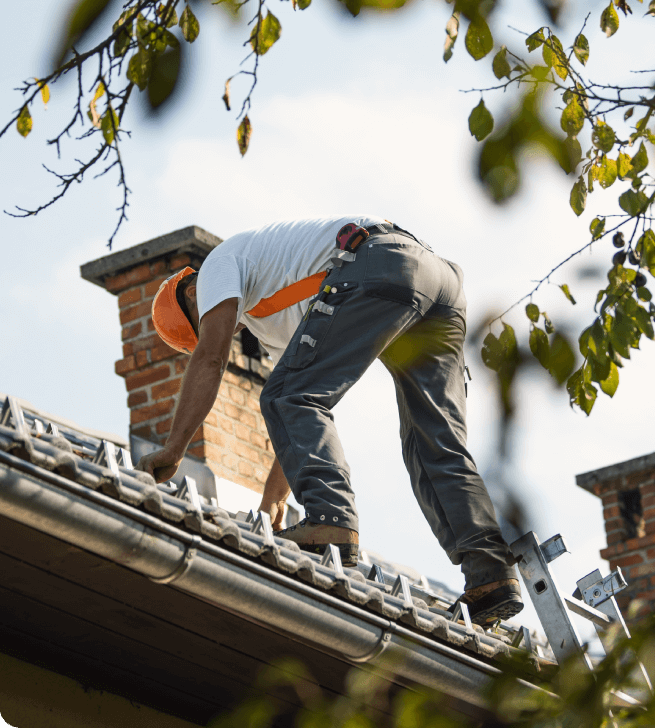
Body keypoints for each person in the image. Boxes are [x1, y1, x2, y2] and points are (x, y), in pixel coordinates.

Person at [135, 216, 523, 626]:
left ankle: (332, 520)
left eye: (203, 321)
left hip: (378, 261)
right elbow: (299, 412)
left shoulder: (216, 265)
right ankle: (490, 574)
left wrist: (174, 448)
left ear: (192, 293)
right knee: (433, 443)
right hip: (437, 282)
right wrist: (275, 501)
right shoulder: (275, 317)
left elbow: (214, 360)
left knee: (287, 395)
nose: (221, 328)